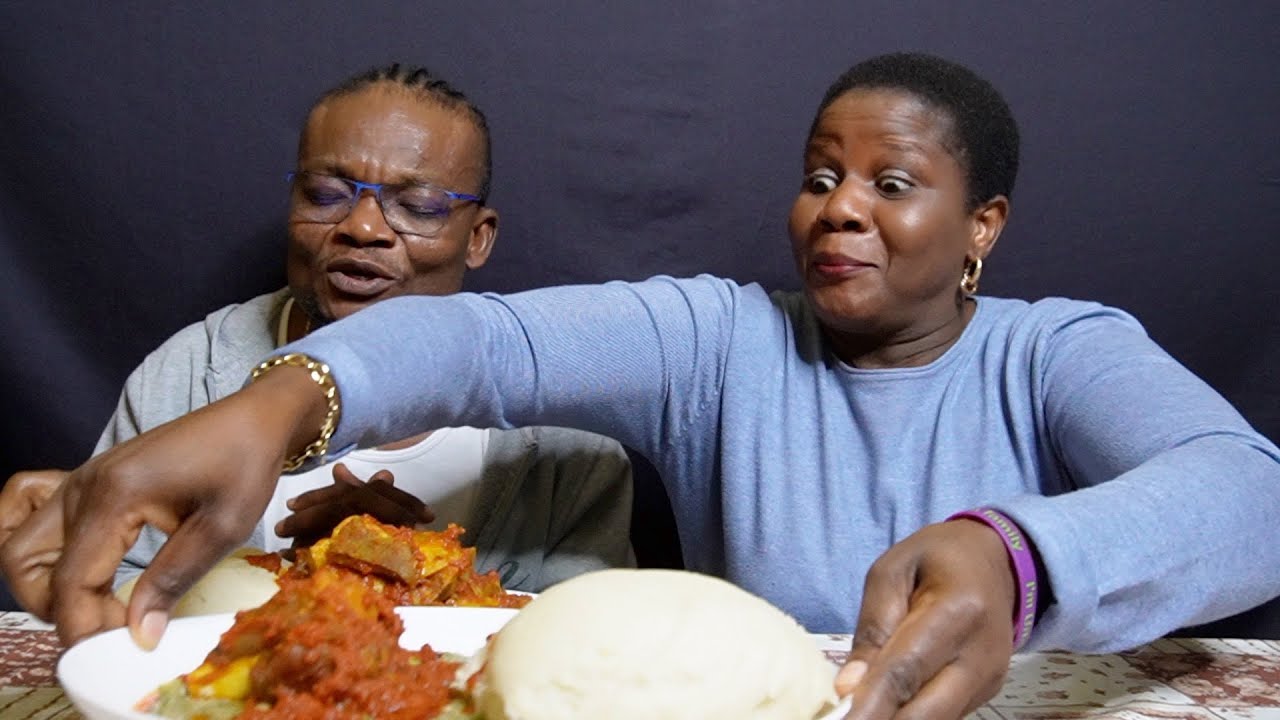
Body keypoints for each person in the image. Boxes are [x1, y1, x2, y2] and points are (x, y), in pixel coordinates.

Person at [5, 52, 1280, 720]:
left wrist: (1014, 558)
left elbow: (1248, 494)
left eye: (889, 184)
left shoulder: (1056, 349)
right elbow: (484, 347)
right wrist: (285, 399)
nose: (837, 207)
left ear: (981, 224)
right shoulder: (718, 340)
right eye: (818, 172)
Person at [0, 63, 634, 595]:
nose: (362, 226)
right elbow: (100, 603)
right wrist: (288, 582)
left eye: (416, 206)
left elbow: (590, 648)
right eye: (326, 193)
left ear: (478, 239)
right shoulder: (188, 376)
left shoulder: (563, 429)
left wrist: (415, 576)